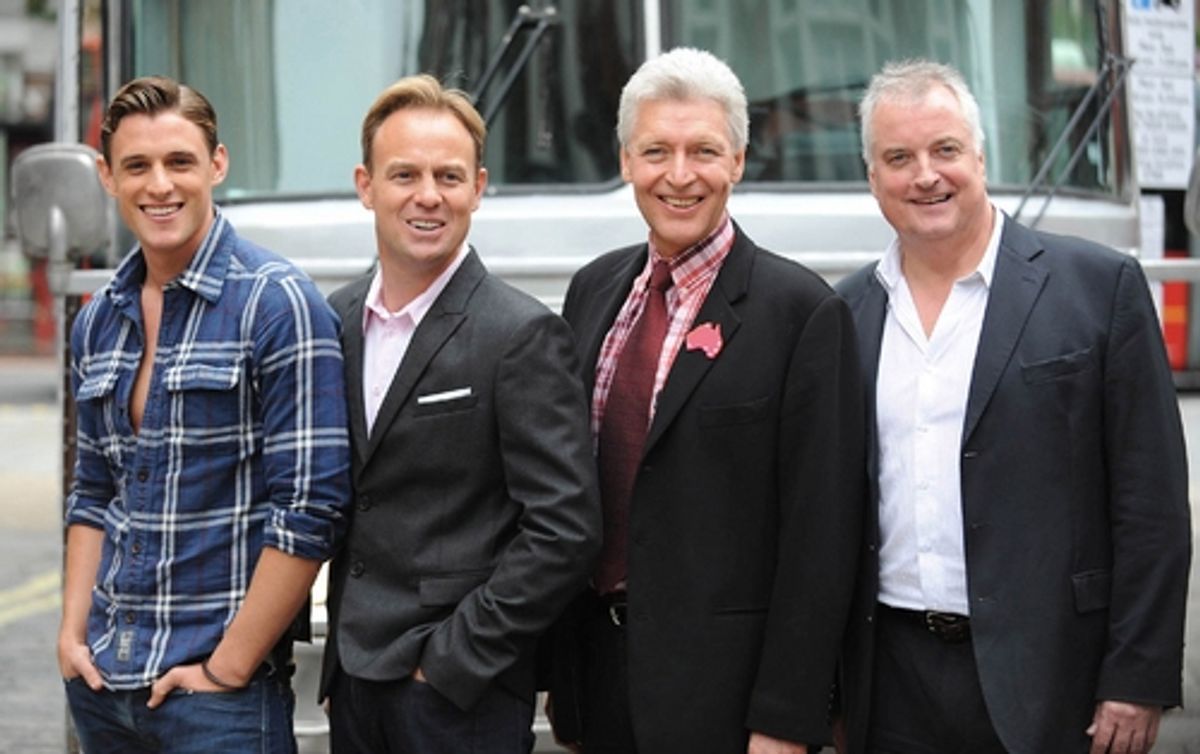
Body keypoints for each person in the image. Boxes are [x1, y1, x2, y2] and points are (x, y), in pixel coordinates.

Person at [836, 59, 1192, 754]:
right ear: (873, 178)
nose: (926, 176)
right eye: (898, 158)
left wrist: (1137, 675)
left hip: (1056, 675)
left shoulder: (1098, 289)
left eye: (944, 150)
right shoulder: (845, 313)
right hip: (891, 681)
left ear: (980, 156)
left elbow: (1151, 505)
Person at [543, 48, 866, 754]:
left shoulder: (802, 312)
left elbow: (823, 539)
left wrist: (785, 719)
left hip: (730, 704)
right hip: (598, 685)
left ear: (739, 162)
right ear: (626, 161)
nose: (680, 175)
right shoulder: (592, 292)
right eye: (657, 150)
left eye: (704, 151)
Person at [58, 76, 352, 753]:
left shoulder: (277, 304)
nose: (159, 184)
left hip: (218, 702)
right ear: (108, 176)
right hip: (105, 684)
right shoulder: (99, 319)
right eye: (137, 165)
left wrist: (229, 668)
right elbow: (94, 491)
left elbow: (311, 506)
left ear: (216, 165)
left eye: (179, 162)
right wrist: (73, 639)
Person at [318, 74, 601, 754]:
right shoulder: (334, 319)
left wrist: (451, 659)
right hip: (354, 682)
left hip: (456, 696)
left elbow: (565, 529)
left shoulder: (519, 333)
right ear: (366, 186)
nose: (427, 195)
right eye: (403, 174)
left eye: (448, 176)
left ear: (478, 187)